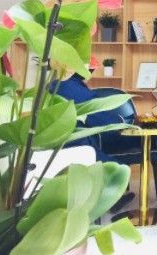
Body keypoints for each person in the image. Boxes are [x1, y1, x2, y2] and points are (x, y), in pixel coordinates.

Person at [52, 69, 136, 212]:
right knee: (119, 169)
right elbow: (100, 116)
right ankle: (110, 201)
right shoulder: (73, 88)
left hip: (53, 147)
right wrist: (120, 123)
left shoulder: (53, 85)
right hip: (74, 147)